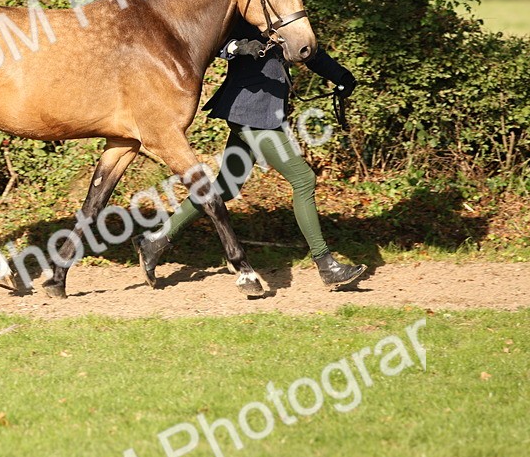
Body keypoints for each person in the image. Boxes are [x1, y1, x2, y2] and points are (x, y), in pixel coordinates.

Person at [131, 18, 367, 290]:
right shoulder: (247, 11)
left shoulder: (284, 15)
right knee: (304, 179)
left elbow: (306, 49)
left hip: (264, 113)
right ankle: (326, 265)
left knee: (225, 187)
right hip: (250, 113)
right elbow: (217, 42)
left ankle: (155, 241)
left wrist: (339, 75)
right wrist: (242, 46)